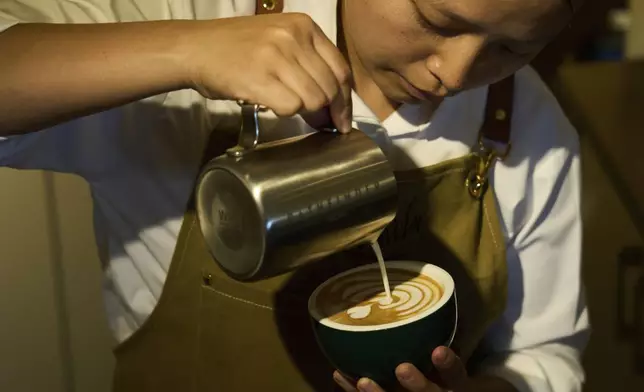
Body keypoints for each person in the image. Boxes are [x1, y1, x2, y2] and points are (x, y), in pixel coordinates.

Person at [0, 0, 589, 391]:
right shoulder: (193, 15)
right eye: (437, 19)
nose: (456, 75)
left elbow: (545, 354)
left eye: (514, 47)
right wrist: (182, 52)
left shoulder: (526, 122)